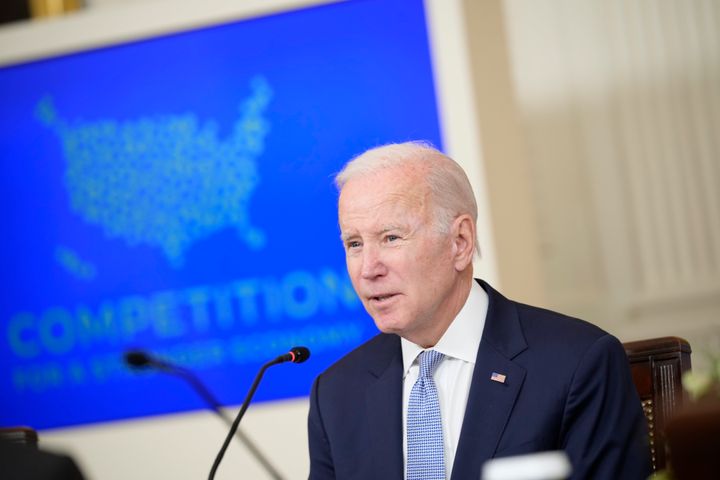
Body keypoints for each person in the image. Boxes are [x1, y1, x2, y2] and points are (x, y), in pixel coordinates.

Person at [307, 141, 651, 480]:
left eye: (391, 238)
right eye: (354, 244)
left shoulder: (577, 363)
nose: (368, 269)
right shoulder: (337, 394)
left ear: (460, 242)